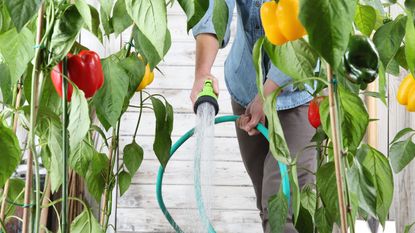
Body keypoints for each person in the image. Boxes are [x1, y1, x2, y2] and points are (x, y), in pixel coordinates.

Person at [190, 0, 316, 232]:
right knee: (267, 205)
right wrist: (202, 73)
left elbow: (301, 32)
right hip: (246, 86)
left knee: (283, 206)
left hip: (297, 94)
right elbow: (215, 10)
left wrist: (265, 95)